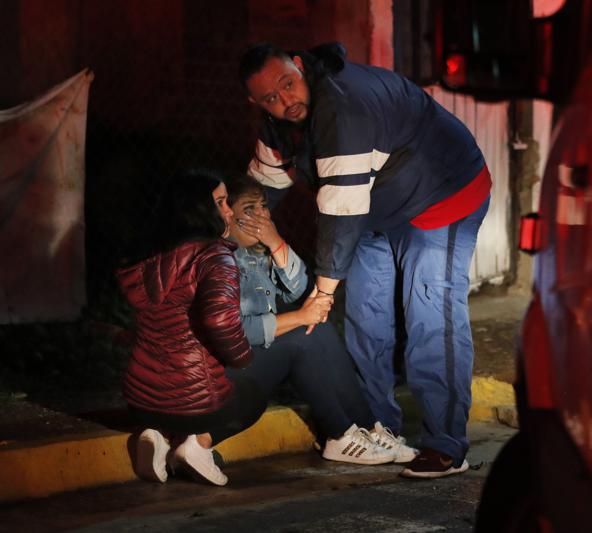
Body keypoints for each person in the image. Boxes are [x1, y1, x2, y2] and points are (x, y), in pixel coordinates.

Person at [238, 42, 491, 478]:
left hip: (441, 195)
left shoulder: (343, 106)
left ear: (298, 66)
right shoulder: (278, 127)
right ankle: (377, 429)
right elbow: (259, 193)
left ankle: (445, 444)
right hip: (377, 206)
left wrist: (321, 293)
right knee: (365, 317)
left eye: (288, 84)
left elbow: (339, 216)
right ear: (255, 103)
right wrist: (219, 238)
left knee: (430, 312)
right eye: (271, 99)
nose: (285, 101)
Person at [222, 173, 416, 464]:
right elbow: (237, 332)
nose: (262, 217)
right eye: (250, 210)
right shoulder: (220, 261)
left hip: (250, 360)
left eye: (264, 207)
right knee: (304, 339)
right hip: (222, 372)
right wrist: (301, 317)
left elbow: (299, 288)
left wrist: (276, 245)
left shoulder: (255, 254)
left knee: (318, 331)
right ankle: (339, 435)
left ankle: (367, 428)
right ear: (226, 215)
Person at [117, 169, 263, 487]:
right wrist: (242, 357)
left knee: (179, 392)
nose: (229, 211)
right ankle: (197, 446)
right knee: (255, 392)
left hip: (139, 400)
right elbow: (219, 320)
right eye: (221, 203)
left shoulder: (147, 257)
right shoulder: (213, 257)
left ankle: (156, 435)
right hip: (195, 404)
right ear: (197, 208)